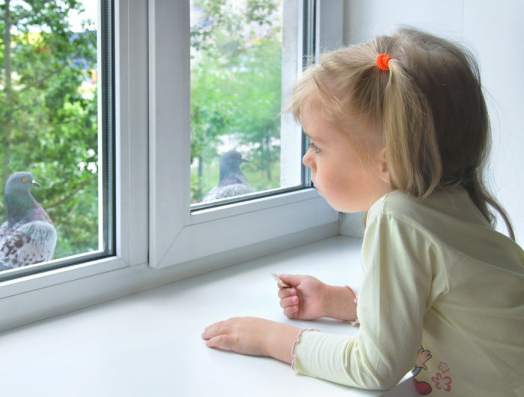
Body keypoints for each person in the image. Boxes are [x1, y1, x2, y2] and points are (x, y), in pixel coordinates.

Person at [201, 27, 524, 395]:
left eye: (318, 146)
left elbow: (376, 367)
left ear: (386, 162)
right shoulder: (449, 199)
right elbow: (442, 304)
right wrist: (340, 301)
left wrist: (272, 339)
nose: (307, 158)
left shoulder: (396, 216)